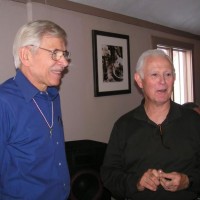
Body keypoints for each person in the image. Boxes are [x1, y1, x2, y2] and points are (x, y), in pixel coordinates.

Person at [101, 49, 200, 200]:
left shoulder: (193, 121)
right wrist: (137, 182)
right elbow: (109, 174)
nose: (163, 81)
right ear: (139, 80)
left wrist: (188, 181)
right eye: (154, 75)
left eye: (168, 74)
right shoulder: (123, 126)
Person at [0, 20, 71, 199]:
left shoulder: (53, 96)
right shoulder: (4, 102)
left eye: (64, 54)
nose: (64, 63)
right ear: (26, 56)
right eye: (55, 54)